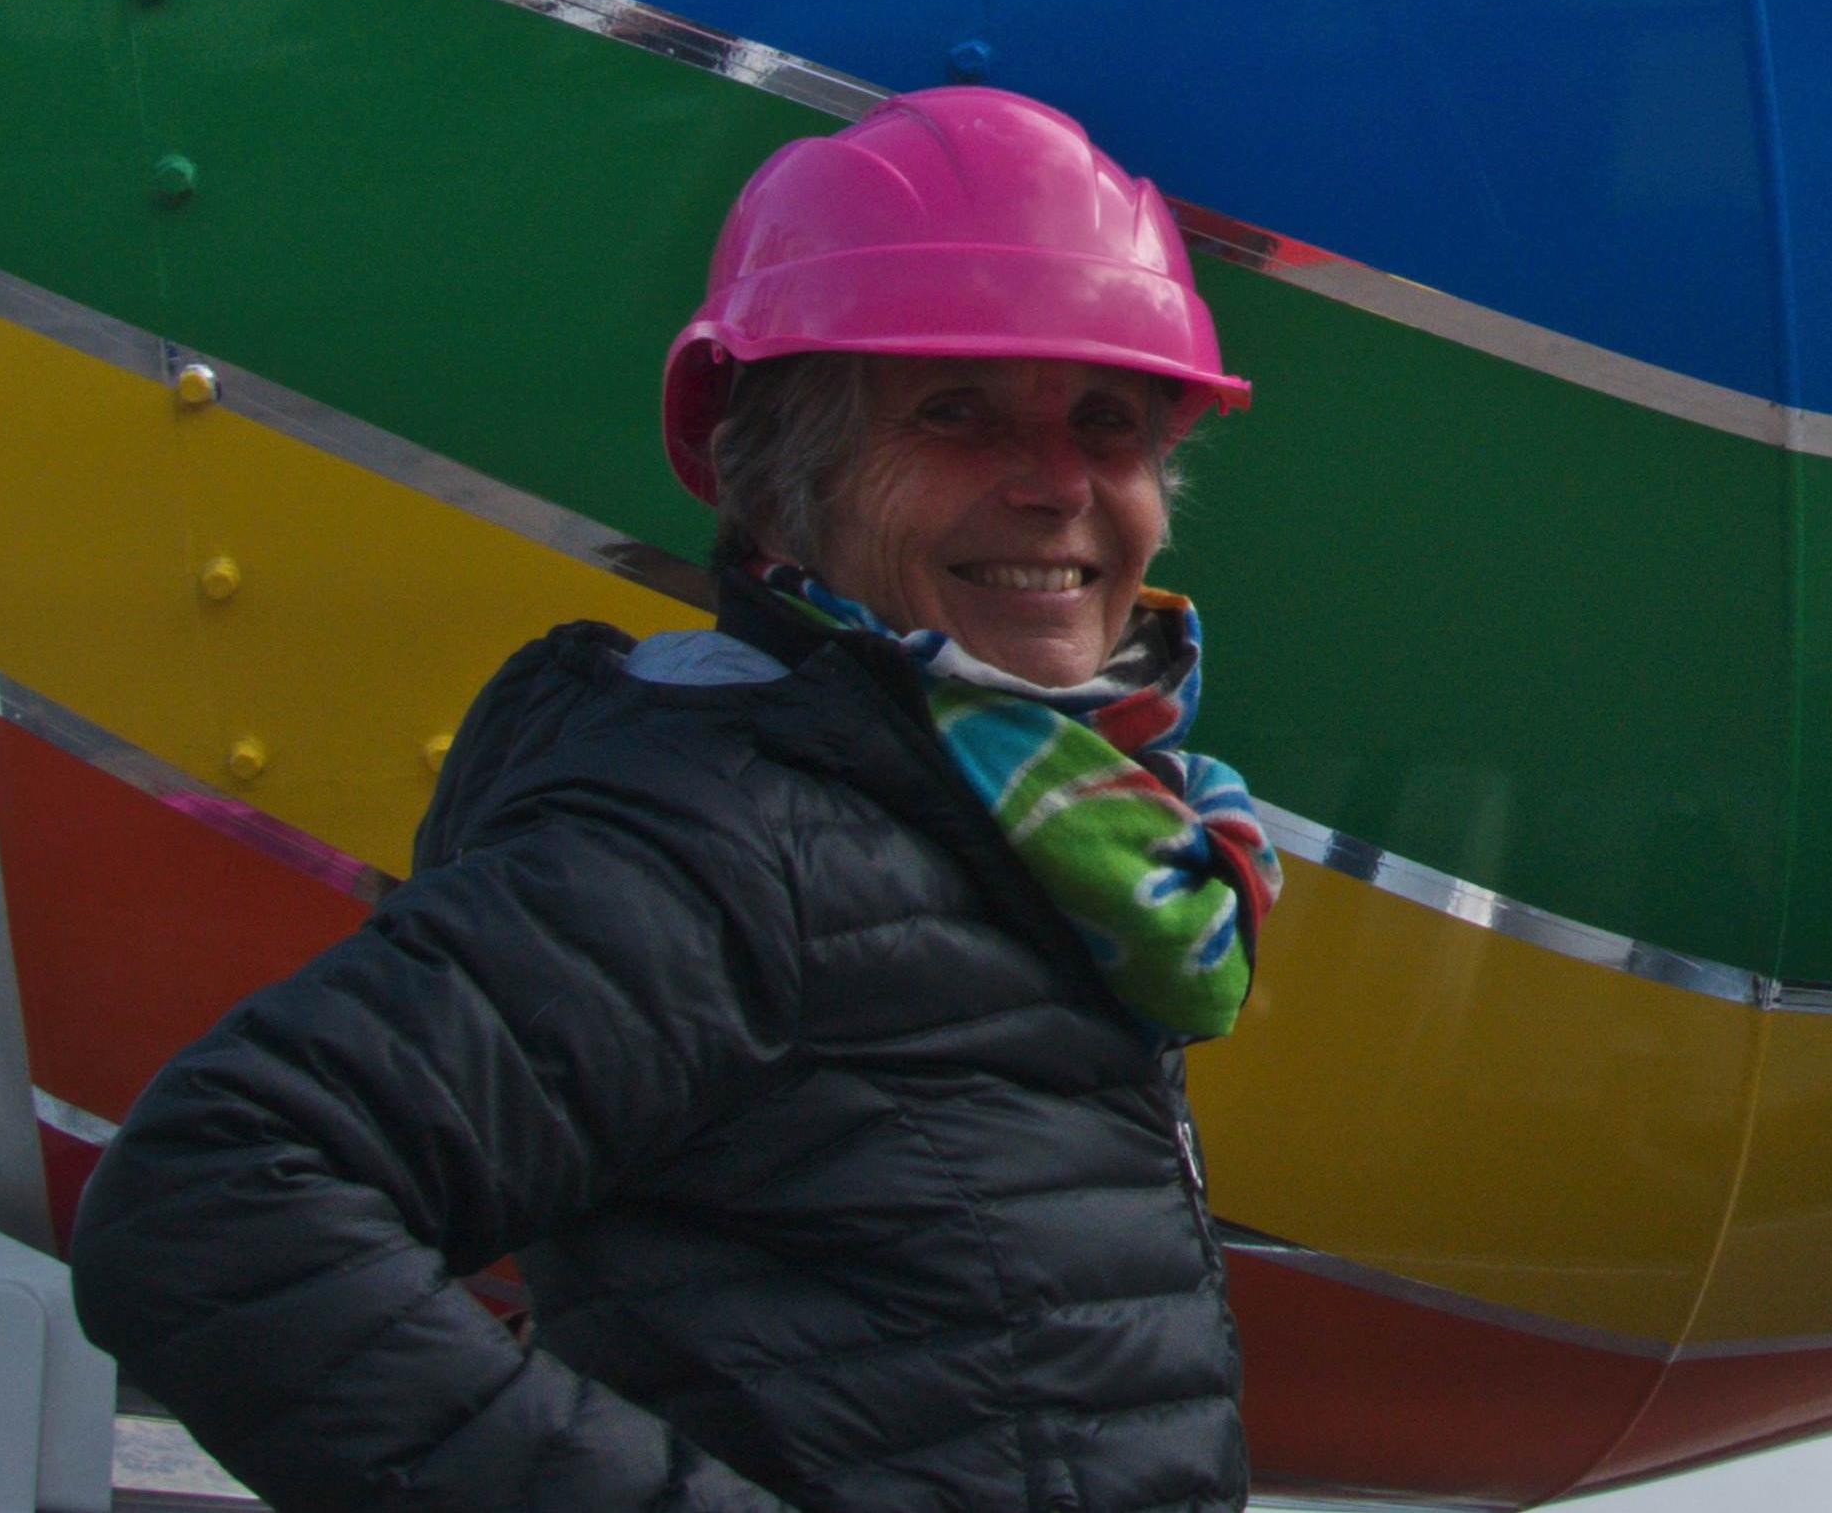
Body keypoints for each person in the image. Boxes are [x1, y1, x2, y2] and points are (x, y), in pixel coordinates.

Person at [69, 88, 1272, 1513]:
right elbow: (214, 1204)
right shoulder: (725, 833)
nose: (1058, 486)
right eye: (956, 414)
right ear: (780, 483)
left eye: (1110, 423)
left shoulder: (1030, 815)